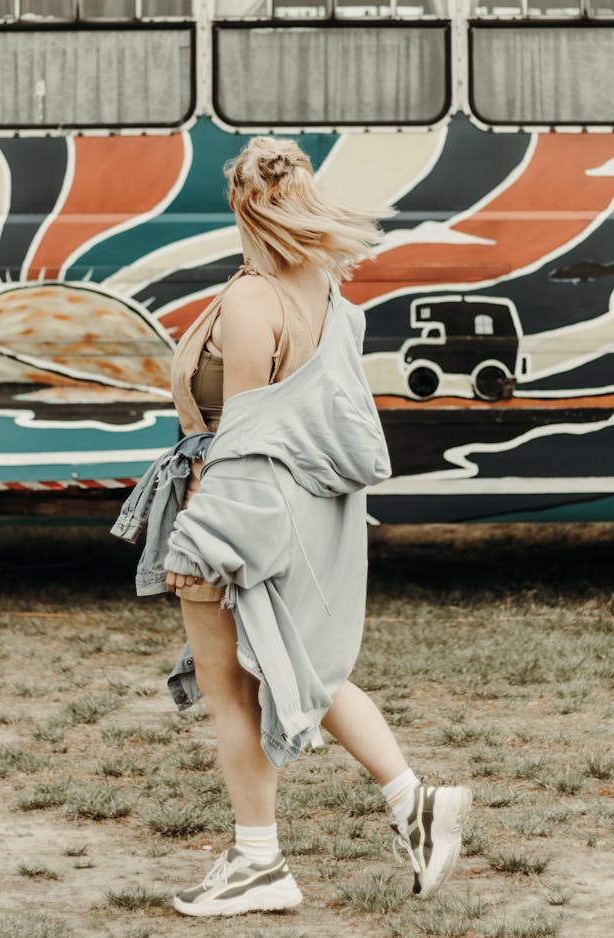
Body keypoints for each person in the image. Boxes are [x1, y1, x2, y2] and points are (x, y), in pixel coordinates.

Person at [157, 137, 472, 917]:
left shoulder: (252, 298)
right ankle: (415, 803)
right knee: (303, 672)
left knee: (233, 694)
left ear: (242, 207)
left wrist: (203, 536)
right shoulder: (329, 297)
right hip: (297, 513)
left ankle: (260, 862)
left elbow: (247, 437)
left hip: (235, 511)